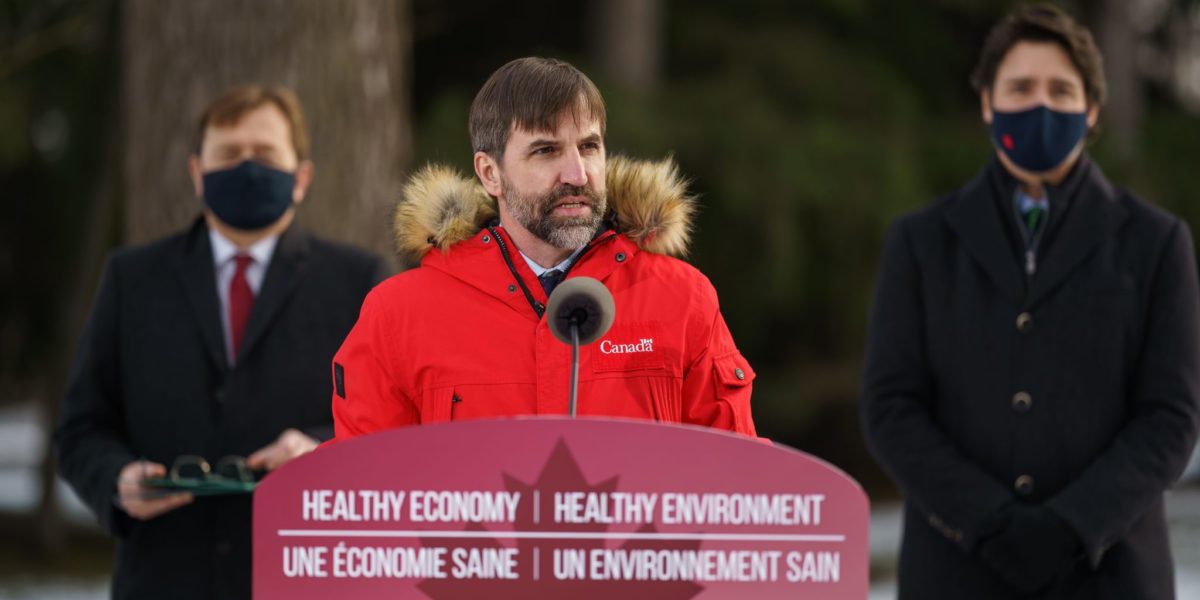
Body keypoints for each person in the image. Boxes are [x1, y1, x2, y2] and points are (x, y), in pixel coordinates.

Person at [862, 5, 1200, 599]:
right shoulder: (920, 242)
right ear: (988, 102)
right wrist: (987, 522)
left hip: (1111, 575)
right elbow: (892, 407)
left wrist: (1073, 525)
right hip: (957, 573)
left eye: (1060, 89)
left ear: (1091, 110)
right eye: (1020, 87)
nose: (1040, 104)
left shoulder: (1157, 242)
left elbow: (1171, 416)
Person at [55, 84, 388, 599]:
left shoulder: (359, 280)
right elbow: (81, 427)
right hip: (163, 579)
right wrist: (117, 479)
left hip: (304, 579)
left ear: (301, 177)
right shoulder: (132, 278)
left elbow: (393, 430)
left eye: (264, 154)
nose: (247, 167)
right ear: (197, 173)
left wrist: (321, 451)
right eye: (229, 154)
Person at [331, 57, 755, 440]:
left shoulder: (682, 299)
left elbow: (738, 486)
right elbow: (366, 497)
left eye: (589, 147)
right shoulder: (398, 316)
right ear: (490, 173)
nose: (577, 173)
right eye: (546, 151)